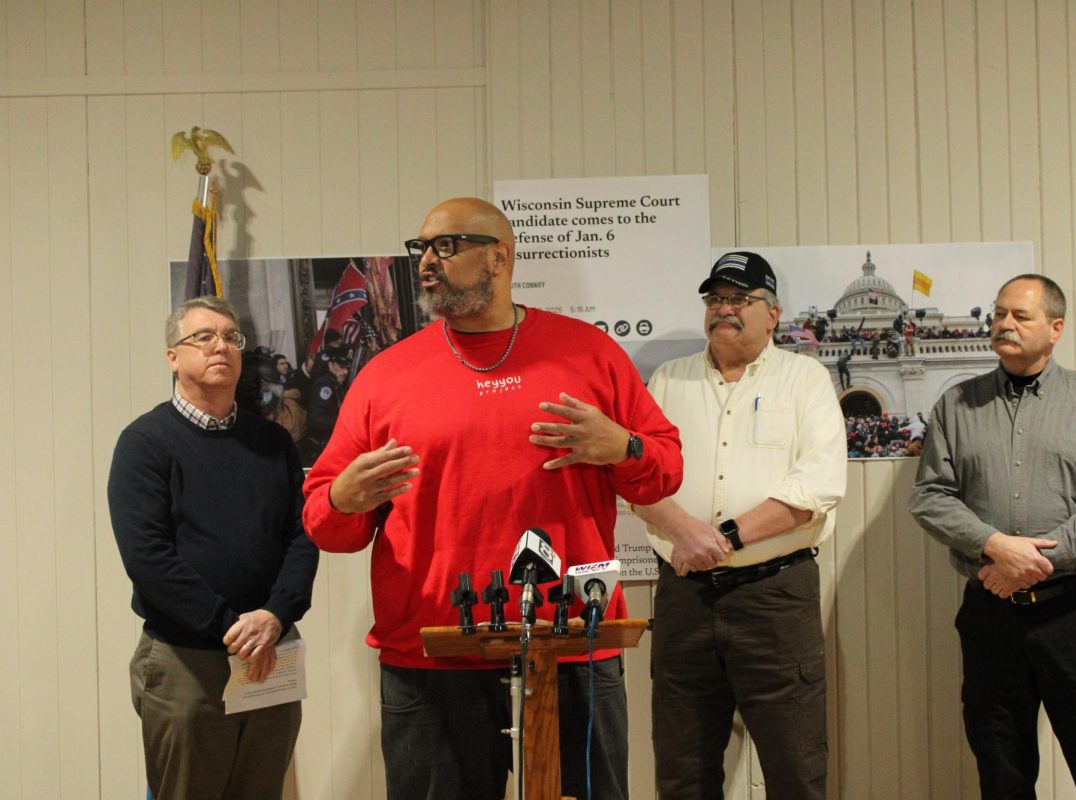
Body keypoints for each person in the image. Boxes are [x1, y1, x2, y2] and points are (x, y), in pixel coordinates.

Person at [301, 197, 683, 800]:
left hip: (571, 647)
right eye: (421, 248)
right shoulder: (385, 375)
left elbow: (662, 473)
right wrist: (343, 498)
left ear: (499, 257)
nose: (427, 261)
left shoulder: (589, 353)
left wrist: (622, 446)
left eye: (446, 246)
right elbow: (327, 523)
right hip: (431, 657)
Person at [909, 274, 1076, 799]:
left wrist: (1035, 560)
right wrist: (996, 547)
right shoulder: (955, 406)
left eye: (1020, 316)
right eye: (998, 314)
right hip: (991, 619)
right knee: (1002, 768)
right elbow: (930, 496)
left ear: (1056, 328)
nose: (1003, 325)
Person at [632, 251, 847, 799]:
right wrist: (682, 531)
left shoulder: (806, 379)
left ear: (772, 313)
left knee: (795, 768)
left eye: (740, 300)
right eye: (715, 299)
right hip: (684, 598)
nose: (724, 311)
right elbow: (637, 480)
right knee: (683, 773)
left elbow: (815, 488)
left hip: (775, 598)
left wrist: (720, 539)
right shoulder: (667, 380)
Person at [107, 296, 319, 800]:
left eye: (230, 337)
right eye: (202, 337)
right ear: (172, 357)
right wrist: (231, 626)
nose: (220, 346)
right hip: (187, 661)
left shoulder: (272, 443)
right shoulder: (145, 443)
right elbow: (148, 559)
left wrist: (274, 615)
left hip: (272, 650)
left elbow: (303, 535)